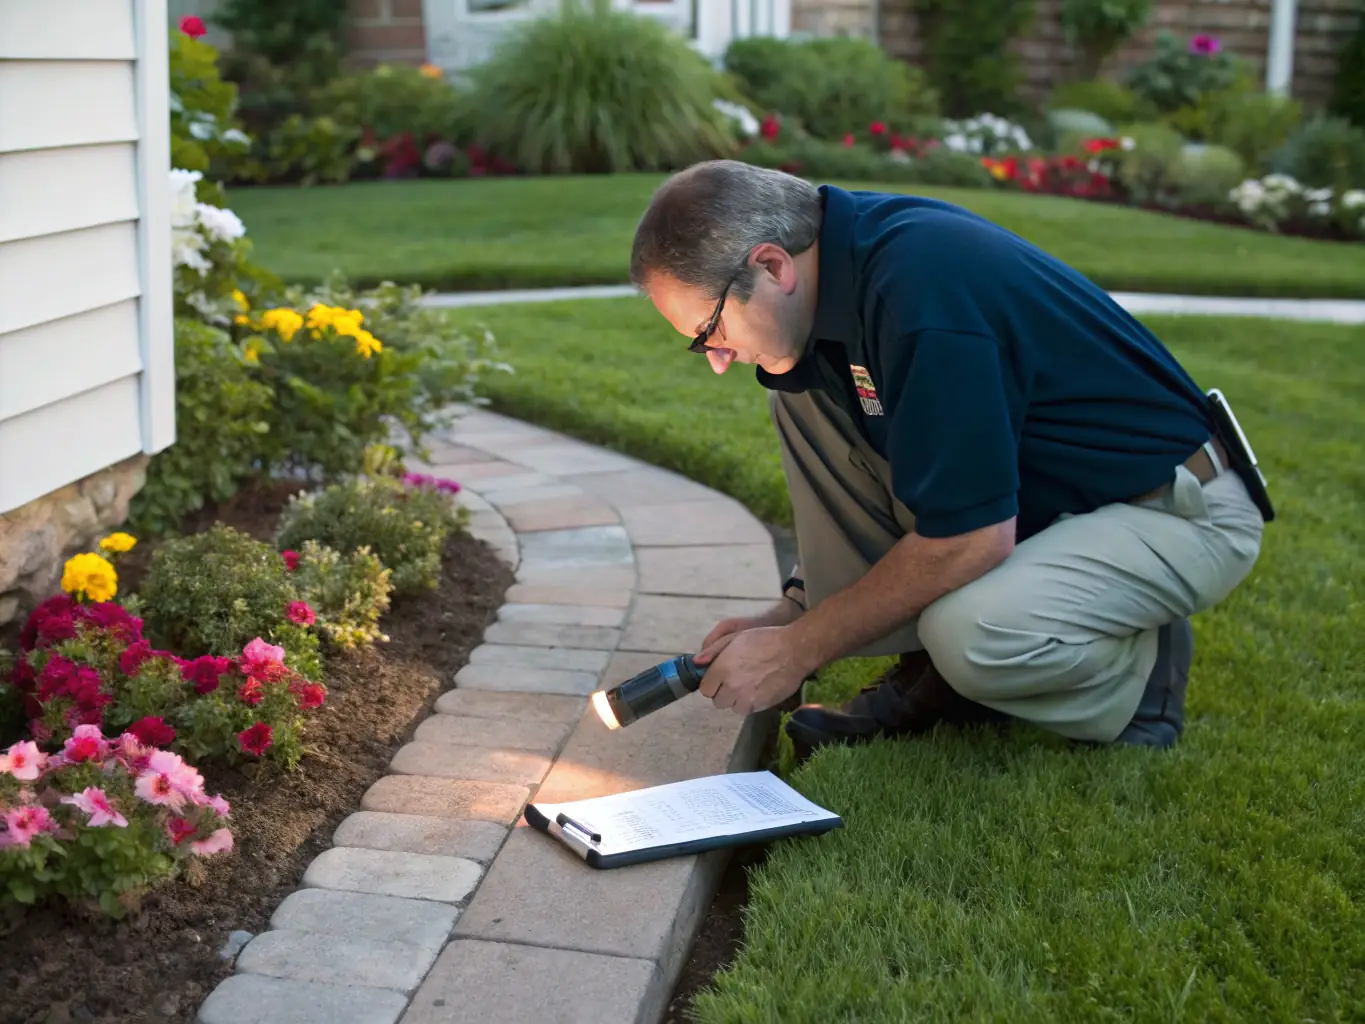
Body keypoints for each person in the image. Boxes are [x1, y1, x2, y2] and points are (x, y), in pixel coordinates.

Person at [628, 159, 1270, 758]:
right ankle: (929, 670)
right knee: (800, 398)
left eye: (709, 331)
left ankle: (1137, 673)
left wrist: (795, 650)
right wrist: (794, 612)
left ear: (772, 266)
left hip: (1173, 506)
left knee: (970, 634)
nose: (715, 359)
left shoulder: (921, 298)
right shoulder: (844, 270)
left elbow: (970, 540)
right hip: (1058, 500)